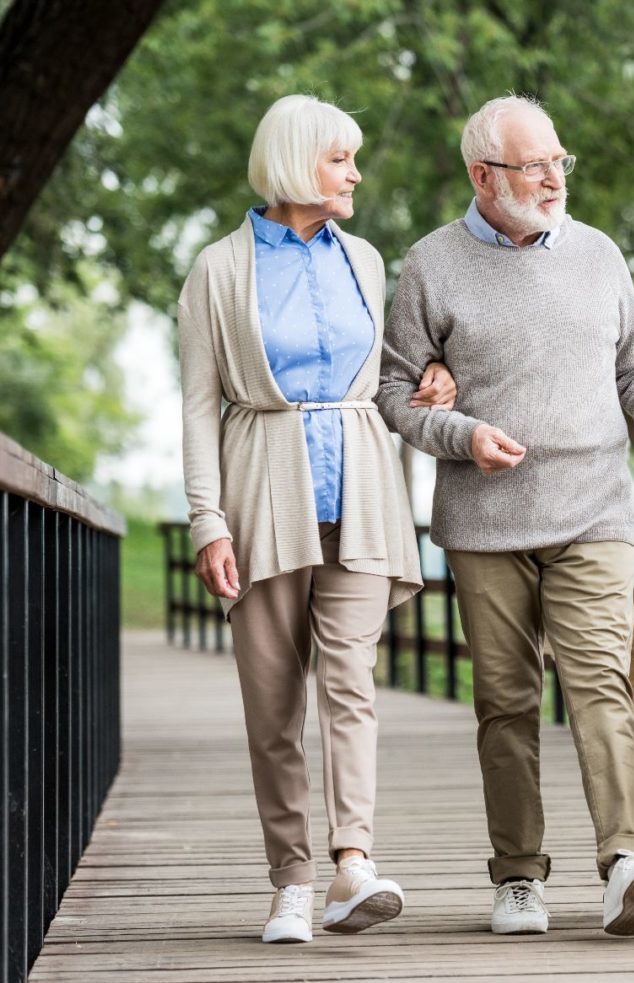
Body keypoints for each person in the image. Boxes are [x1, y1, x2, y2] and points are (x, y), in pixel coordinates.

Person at [375, 94, 634, 938]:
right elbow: (394, 391)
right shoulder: (430, 265)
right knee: (506, 700)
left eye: (560, 161)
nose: (555, 179)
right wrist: (461, 434)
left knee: (601, 683)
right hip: (484, 520)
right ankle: (518, 875)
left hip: (593, 507)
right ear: (483, 176)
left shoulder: (599, 254)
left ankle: (626, 859)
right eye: (534, 167)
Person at [178, 94, 455, 944]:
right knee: (272, 700)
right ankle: (290, 881)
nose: (356, 175)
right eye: (341, 160)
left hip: (362, 490)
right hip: (262, 492)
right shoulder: (219, 270)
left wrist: (433, 375)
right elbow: (198, 406)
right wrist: (206, 519)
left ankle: (352, 863)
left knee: (351, 684)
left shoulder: (365, 259)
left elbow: (386, 370)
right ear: (298, 163)